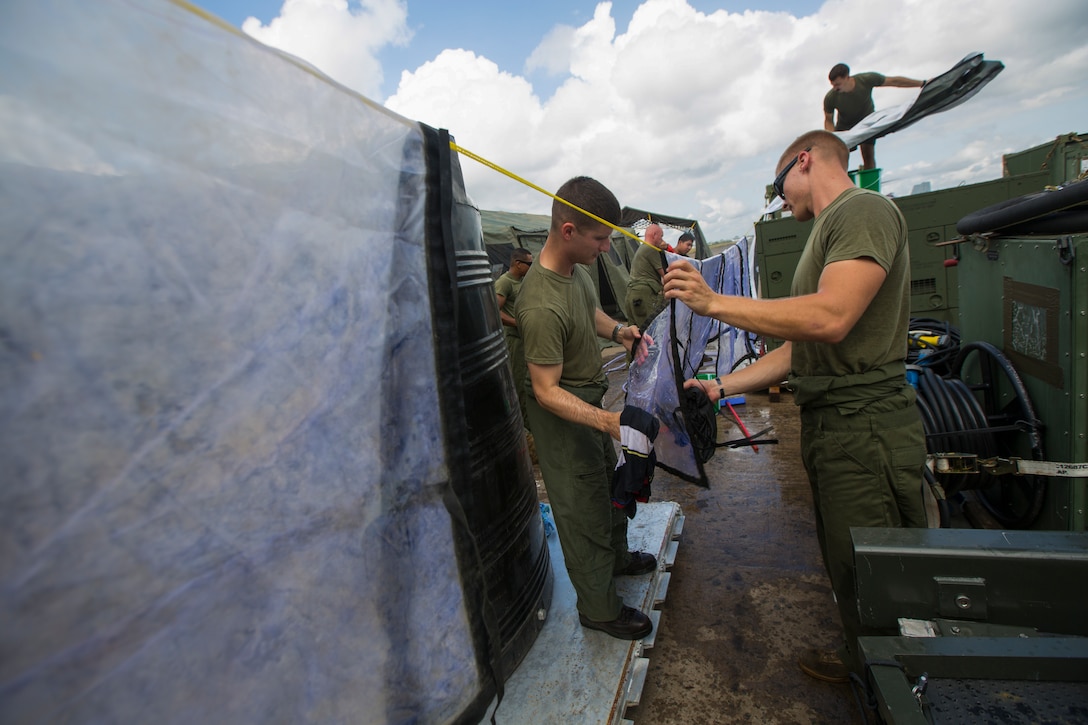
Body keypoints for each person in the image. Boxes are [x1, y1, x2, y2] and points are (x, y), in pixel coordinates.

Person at [662, 130, 927, 682]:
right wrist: (720, 386)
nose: (781, 199)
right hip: (836, 425)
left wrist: (713, 303)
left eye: (779, 185)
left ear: (803, 162)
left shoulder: (863, 212)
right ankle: (868, 666)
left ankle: (901, 685)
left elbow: (830, 319)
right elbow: (794, 350)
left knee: (877, 569)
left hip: (865, 426)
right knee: (847, 562)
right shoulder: (827, 232)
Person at [517, 176, 657, 641]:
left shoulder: (575, 272)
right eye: (601, 238)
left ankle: (617, 561)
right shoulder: (539, 303)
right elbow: (545, 390)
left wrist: (620, 332)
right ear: (570, 231)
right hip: (565, 420)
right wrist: (608, 421)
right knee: (583, 513)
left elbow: (590, 311)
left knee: (612, 492)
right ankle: (598, 609)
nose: (607, 247)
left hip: (591, 408)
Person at [823, 63, 925, 170]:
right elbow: (828, 120)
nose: (835, 88)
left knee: (868, 155)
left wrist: (922, 83)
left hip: (867, 122)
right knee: (837, 157)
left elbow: (894, 81)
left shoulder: (866, 79)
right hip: (845, 127)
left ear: (847, 77)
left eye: (837, 84)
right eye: (832, 85)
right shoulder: (831, 97)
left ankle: (869, 178)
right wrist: (832, 138)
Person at [495, 247, 533, 429]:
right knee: (521, 385)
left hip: (526, 340)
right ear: (518, 264)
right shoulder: (505, 282)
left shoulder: (523, 281)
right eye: (529, 264)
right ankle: (526, 430)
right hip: (515, 341)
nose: (531, 267)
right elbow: (494, 311)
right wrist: (518, 323)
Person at [624, 223, 668, 331]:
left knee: (636, 330)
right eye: (661, 236)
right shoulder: (651, 249)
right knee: (650, 329)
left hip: (633, 294)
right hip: (644, 295)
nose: (662, 240)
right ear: (654, 235)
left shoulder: (642, 248)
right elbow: (665, 275)